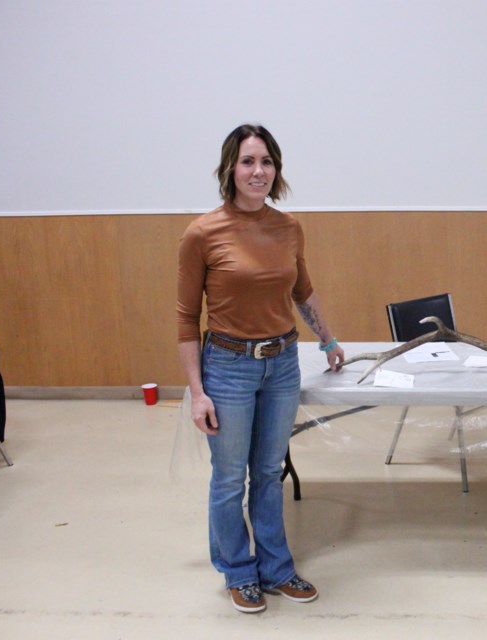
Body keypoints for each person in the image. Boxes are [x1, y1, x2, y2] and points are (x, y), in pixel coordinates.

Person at [176, 124, 345, 614]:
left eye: (267, 162)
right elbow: (187, 318)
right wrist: (197, 390)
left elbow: (302, 289)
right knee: (230, 477)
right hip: (227, 367)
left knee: (269, 473)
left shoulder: (288, 227)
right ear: (230, 168)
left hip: (283, 364)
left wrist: (328, 338)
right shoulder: (202, 233)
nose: (258, 171)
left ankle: (276, 569)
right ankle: (238, 570)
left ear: (277, 170)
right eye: (248, 161)